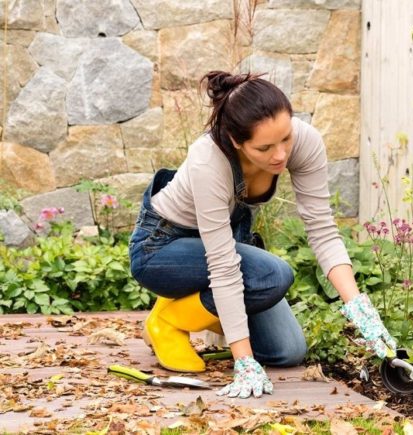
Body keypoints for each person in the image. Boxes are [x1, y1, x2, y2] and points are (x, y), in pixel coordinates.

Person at [128, 71, 397, 399]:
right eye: (265, 147)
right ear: (235, 140)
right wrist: (243, 362)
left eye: (285, 138)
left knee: (287, 351)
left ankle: (193, 308)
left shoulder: (304, 142)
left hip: (221, 247)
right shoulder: (208, 160)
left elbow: (323, 230)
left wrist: (358, 306)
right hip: (162, 249)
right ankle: (168, 320)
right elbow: (224, 266)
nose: (281, 154)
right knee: (272, 275)